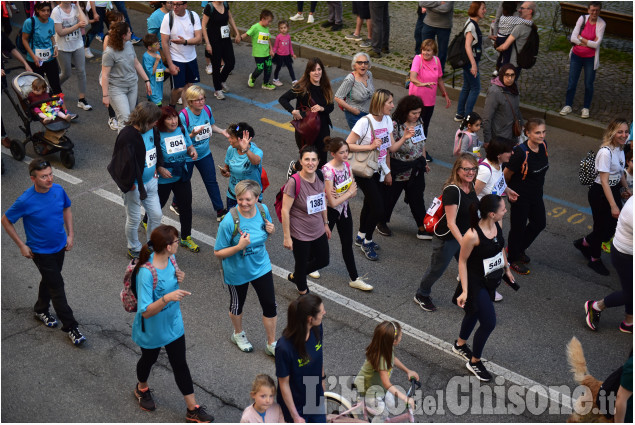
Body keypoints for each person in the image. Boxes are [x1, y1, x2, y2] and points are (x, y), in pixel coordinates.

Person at [130, 224, 213, 422]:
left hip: (173, 324)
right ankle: (141, 388)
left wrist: (180, 276)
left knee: (180, 364)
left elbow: (172, 277)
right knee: (148, 360)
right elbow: (146, 312)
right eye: (176, 241)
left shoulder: (172, 258)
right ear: (168, 246)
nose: (178, 243)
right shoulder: (146, 273)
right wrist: (167, 298)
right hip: (152, 328)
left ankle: (192, 409)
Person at [2, 158, 86, 346]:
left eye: (50, 174)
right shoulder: (25, 200)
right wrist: (21, 245)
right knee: (57, 286)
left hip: (60, 246)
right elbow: (6, 220)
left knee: (50, 279)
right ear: (33, 179)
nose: (49, 179)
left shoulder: (58, 190)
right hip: (40, 252)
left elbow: (67, 208)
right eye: (43, 177)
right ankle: (71, 327)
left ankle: (40, 309)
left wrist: (70, 235)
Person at [452, 195, 515, 382]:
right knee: (488, 322)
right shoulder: (472, 235)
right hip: (475, 282)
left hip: (490, 279)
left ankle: (460, 344)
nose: (505, 211)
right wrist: (464, 290)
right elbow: (462, 262)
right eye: (503, 209)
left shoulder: (497, 225)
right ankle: (474, 361)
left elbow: (500, 246)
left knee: (473, 313)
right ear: (492, 213)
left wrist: (507, 268)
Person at [214, 180, 277, 355]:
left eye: (248, 199)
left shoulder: (263, 211)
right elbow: (218, 252)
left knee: (270, 304)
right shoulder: (229, 221)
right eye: (240, 199)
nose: (243, 203)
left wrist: (271, 230)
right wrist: (238, 247)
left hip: (261, 266)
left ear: (257, 198)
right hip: (237, 271)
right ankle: (238, 334)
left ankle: (271, 343)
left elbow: (265, 233)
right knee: (237, 305)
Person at [414, 153, 480, 312]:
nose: (470, 172)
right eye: (466, 169)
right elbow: (451, 223)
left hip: (463, 237)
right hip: (447, 239)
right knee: (437, 269)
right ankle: (422, 294)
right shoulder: (452, 190)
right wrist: (464, 242)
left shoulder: (470, 185)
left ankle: (464, 296)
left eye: (473, 169)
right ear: (457, 170)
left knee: (470, 266)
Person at [574, 118, 631, 275]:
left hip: (612, 191)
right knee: (601, 227)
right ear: (612, 132)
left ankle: (585, 242)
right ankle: (594, 259)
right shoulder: (605, 153)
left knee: (612, 226)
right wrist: (613, 205)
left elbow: (620, 172)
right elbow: (604, 182)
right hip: (600, 193)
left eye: (626, 131)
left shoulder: (620, 149)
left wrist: (627, 189)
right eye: (620, 131)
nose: (624, 135)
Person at [108, 102, 163, 259]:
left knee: (156, 215)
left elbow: (156, 148)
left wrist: (158, 167)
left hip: (151, 182)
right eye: (153, 121)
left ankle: (151, 244)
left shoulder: (152, 129)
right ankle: (133, 247)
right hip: (134, 187)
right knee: (134, 218)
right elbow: (120, 164)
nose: (156, 123)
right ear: (145, 121)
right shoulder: (127, 136)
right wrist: (129, 184)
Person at [346, 89, 396, 261]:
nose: (392, 105)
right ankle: (367, 241)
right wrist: (369, 146)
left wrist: (388, 172)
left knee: (369, 204)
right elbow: (347, 145)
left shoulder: (388, 120)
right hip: (364, 170)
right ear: (381, 104)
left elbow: (389, 148)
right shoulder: (364, 122)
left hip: (379, 169)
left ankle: (360, 237)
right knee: (378, 208)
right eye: (390, 102)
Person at [378, 95, 432, 240]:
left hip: (415, 169)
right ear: (405, 111)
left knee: (417, 198)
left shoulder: (419, 122)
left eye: (419, 113)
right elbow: (390, 150)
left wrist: (424, 160)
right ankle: (381, 222)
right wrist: (388, 172)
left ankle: (422, 227)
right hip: (398, 169)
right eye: (413, 113)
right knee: (390, 198)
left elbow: (422, 143)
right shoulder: (395, 125)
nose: (417, 116)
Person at [146, 106, 199, 252]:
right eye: (169, 118)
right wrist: (159, 168)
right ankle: (146, 221)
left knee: (186, 206)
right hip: (164, 178)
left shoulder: (181, 130)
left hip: (181, 174)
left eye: (175, 117)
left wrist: (192, 151)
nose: (174, 121)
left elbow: (189, 145)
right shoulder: (156, 133)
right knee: (159, 205)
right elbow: (150, 154)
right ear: (162, 120)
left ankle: (186, 237)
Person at [322, 137, 373, 291]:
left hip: (344, 210)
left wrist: (344, 193)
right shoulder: (327, 171)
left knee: (347, 244)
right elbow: (332, 202)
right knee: (321, 241)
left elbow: (352, 189)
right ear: (332, 154)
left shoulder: (347, 166)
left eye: (347, 151)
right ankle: (309, 265)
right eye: (342, 152)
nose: (345, 155)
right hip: (329, 212)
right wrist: (348, 193)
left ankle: (354, 278)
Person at [281, 146, 331, 295]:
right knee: (302, 265)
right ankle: (303, 291)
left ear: (318, 162)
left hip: (317, 228)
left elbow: (322, 201)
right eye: (307, 159)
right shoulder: (294, 182)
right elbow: (285, 210)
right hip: (299, 232)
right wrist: (287, 237)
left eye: (313, 159)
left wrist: (326, 224)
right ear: (301, 162)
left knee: (323, 260)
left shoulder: (320, 176)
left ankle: (297, 275)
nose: (310, 163)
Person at [504, 118, 549, 275]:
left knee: (539, 223)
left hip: (536, 194)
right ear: (528, 133)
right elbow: (506, 174)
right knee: (518, 227)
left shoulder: (543, 146)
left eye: (543, 132)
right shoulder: (520, 152)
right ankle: (513, 258)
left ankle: (518, 247)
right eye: (537, 132)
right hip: (520, 196)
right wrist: (507, 191)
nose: (541, 135)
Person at [583, 197, 632, 333]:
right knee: (631, 292)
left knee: (630, 288)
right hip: (624, 255)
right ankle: (596, 306)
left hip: (628, 252)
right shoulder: (633, 210)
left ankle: (629, 322)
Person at [275, 293, 326, 423]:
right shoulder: (284, 347)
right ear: (310, 319)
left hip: (314, 399)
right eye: (321, 312)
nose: (324, 313)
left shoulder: (317, 328)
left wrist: (322, 379)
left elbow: (319, 356)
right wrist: (295, 416)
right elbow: (283, 383)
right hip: (295, 406)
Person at [179, 85, 228, 220]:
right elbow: (180, 140)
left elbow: (211, 126)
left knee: (211, 181)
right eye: (198, 100)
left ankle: (219, 211)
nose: (202, 102)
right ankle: (176, 203)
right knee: (184, 182)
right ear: (190, 102)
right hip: (187, 157)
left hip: (205, 153)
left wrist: (222, 131)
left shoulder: (207, 109)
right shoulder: (183, 116)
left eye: (203, 98)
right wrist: (193, 134)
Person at [353, 321, 419, 421]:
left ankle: (372, 410)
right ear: (394, 341)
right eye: (400, 335)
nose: (401, 336)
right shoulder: (381, 358)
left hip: (378, 385)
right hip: (368, 389)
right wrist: (405, 398)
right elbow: (387, 383)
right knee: (383, 414)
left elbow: (393, 359)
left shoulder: (385, 346)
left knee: (391, 404)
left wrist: (408, 371)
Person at [279, 57, 335, 166]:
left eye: (319, 69)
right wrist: (292, 111)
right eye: (313, 70)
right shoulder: (302, 87)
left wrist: (322, 108)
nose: (317, 72)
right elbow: (283, 99)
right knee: (308, 160)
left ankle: (318, 182)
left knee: (322, 160)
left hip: (323, 129)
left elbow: (331, 106)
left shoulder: (325, 86)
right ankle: (294, 168)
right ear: (308, 72)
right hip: (307, 128)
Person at [101, 21, 152, 132]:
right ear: (123, 36)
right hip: (117, 89)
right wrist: (105, 95)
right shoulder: (109, 53)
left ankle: (128, 144)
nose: (131, 33)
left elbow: (136, 63)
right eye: (129, 32)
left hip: (132, 86)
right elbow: (105, 75)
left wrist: (147, 80)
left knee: (131, 118)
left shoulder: (128, 45)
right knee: (124, 119)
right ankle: (123, 147)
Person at [559, 2, 605, 119]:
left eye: (597, 10)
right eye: (593, 10)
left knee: (589, 84)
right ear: (588, 10)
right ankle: (568, 105)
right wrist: (587, 42)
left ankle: (586, 108)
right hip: (576, 56)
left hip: (590, 59)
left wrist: (581, 39)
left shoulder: (601, 24)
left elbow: (596, 45)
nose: (594, 12)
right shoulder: (582, 18)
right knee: (572, 82)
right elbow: (574, 37)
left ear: (600, 11)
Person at [409, 38, 451, 160]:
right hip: (416, 101)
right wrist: (422, 84)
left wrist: (445, 94)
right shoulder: (418, 59)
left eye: (428, 50)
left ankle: (420, 150)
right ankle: (415, 151)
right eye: (423, 50)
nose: (425, 53)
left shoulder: (436, 61)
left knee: (424, 127)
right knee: (415, 126)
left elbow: (439, 79)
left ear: (434, 52)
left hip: (429, 101)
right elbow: (412, 77)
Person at [160, 1, 203, 107]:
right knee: (179, 88)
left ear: (185, 5)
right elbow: (164, 42)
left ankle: (186, 113)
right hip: (176, 58)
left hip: (191, 58)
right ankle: (171, 107)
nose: (174, 7)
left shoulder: (193, 16)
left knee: (189, 87)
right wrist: (170, 64)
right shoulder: (168, 18)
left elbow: (199, 39)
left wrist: (185, 42)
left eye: (178, 4)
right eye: (173, 4)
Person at [51, 1, 92, 111]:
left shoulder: (75, 8)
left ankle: (82, 99)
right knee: (66, 73)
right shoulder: (56, 11)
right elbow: (60, 32)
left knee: (81, 71)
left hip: (78, 45)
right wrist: (77, 25)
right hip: (63, 47)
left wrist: (78, 5)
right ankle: (53, 88)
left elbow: (86, 22)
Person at [219, 122, 264, 210]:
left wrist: (245, 149)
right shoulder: (231, 149)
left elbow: (255, 161)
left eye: (232, 138)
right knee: (234, 222)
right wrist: (225, 171)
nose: (229, 140)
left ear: (242, 139)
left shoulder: (257, 151)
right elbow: (227, 167)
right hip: (233, 195)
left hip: (250, 198)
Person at [21, 2, 62, 95]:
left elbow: (51, 35)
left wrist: (55, 46)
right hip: (34, 61)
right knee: (38, 88)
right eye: (43, 11)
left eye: (48, 10)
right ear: (37, 11)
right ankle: (40, 108)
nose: (46, 13)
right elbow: (24, 39)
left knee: (56, 86)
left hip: (50, 58)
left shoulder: (51, 21)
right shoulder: (30, 22)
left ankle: (60, 108)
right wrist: (33, 56)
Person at [454, 1, 486, 122]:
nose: (485, 11)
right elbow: (468, 46)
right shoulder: (472, 26)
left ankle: (459, 114)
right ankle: (468, 118)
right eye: (483, 8)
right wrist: (473, 65)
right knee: (476, 88)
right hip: (470, 62)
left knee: (467, 87)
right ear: (476, 9)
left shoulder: (471, 22)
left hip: (468, 61)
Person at [202, 1, 240, 99]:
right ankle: (217, 90)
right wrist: (208, 43)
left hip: (225, 39)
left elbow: (230, 18)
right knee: (216, 65)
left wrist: (237, 32)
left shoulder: (225, 4)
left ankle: (221, 81)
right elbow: (203, 26)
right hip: (214, 41)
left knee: (231, 62)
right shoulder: (209, 7)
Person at [482, 63, 523, 145]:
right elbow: (487, 118)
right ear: (501, 75)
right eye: (507, 75)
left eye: (512, 75)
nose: (510, 78)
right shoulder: (494, 91)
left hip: (513, 135)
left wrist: (522, 125)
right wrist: (487, 140)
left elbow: (516, 109)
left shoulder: (514, 87)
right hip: (499, 137)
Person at [495, 1, 536, 78]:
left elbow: (504, 46)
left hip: (513, 62)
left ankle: (499, 70)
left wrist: (497, 47)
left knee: (508, 84)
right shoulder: (529, 26)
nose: (519, 10)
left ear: (530, 11)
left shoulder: (520, 27)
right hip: (520, 59)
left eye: (522, 8)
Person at [334, 52, 374, 130]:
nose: (363, 65)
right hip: (354, 115)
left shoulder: (369, 74)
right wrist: (353, 110)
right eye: (359, 63)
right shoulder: (350, 79)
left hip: (367, 113)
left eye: (365, 62)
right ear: (354, 65)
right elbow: (337, 97)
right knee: (359, 139)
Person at [241, 9, 276, 90]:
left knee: (269, 67)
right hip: (258, 53)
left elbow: (268, 39)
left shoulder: (266, 28)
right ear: (263, 19)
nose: (269, 23)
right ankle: (252, 77)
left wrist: (271, 49)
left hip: (266, 52)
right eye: (269, 21)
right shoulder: (255, 27)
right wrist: (241, 37)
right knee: (260, 68)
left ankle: (266, 83)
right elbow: (247, 33)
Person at [416, 2, 454, 70]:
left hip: (444, 26)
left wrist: (428, 6)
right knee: (425, 49)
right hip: (428, 24)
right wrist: (439, 2)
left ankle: (439, 71)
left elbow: (445, 9)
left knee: (442, 51)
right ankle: (425, 69)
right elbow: (422, 3)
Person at [271, 20, 297, 87]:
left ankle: (294, 81)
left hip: (287, 56)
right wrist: (273, 51)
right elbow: (276, 46)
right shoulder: (278, 37)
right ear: (279, 29)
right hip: (280, 56)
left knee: (290, 67)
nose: (283, 29)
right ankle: (275, 79)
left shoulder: (288, 36)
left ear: (288, 28)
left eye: (284, 27)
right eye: (281, 28)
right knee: (278, 67)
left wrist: (292, 54)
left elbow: (290, 46)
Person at [142, 33, 165, 106]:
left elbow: (161, 67)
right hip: (152, 84)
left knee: (153, 102)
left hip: (158, 82)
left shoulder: (157, 52)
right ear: (149, 47)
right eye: (156, 45)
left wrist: (170, 70)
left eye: (158, 43)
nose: (158, 45)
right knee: (158, 104)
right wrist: (157, 60)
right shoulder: (146, 57)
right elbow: (151, 72)